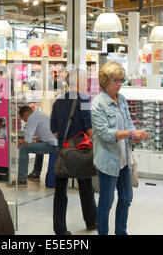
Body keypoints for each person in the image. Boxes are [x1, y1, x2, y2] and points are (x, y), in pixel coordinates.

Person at [91, 61, 150, 235]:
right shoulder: (98, 104)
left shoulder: (122, 99)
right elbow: (106, 134)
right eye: (115, 80)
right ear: (104, 81)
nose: (119, 84)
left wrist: (136, 136)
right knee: (106, 202)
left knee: (126, 199)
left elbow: (129, 123)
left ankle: (121, 232)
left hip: (124, 161)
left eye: (121, 80)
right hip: (107, 161)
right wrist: (131, 132)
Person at [50, 68, 97, 235]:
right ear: (78, 81)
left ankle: (60, 230)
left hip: (63, 151)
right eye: (85, 79)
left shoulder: (58, 102)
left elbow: (54, 129)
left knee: (60, 192)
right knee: (86, 187)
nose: (87, 82)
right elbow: (89, 128)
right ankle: (91, 222)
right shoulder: (84, 99)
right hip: (80, 152)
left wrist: (66, 140)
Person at [8, 106, 58, 187]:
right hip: (56, 143)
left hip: (52, 145)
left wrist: (21, 142)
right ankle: (36, 173)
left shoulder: (31, 118)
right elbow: (42, 135)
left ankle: (22, 180)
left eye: (24, 119)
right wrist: (34, 139)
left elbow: (27, 141)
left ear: (26, 114)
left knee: (24, 148)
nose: (25, 122)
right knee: (39, 142)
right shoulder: (40, 114)